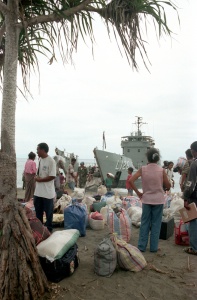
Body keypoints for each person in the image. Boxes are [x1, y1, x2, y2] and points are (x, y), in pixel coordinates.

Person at [130, 148, 171, 252]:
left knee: (145, 223)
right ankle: (153, 247)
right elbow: (168, 186)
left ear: (147, 157)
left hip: (147, 200)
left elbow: (131, 180)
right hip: (158, 200)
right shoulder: (161, 170)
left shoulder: (143, 169)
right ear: (157, 159)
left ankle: (141, 246)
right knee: (156, 224)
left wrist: (138, 193)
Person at [34, 143, 56, 232]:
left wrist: (40, 180)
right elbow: (39, 173)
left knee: (48, 213)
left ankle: (49, 230)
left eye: (38, 150)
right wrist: (36, 177)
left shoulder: (51, 161)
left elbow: (52, 176)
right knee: (38, 212)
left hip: (47, 193)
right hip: (38, 192)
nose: (37, 152)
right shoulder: (40, 160)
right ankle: (40, 229)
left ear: (43, 150)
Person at [183, 141, 197, 255]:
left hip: (195, 198)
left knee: (194, 221)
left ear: (193, 151)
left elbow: (191, 183)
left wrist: (186, 197)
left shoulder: (194, 164)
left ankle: (194, 248)